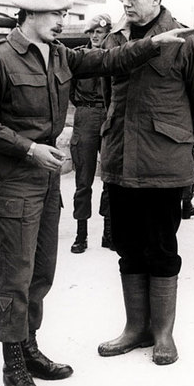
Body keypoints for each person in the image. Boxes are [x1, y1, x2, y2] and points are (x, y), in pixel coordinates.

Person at [0, 0, 194, 386]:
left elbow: (109, 59)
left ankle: (30, 347)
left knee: (41, 274)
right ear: (30, 15)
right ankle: (12, 367)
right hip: (18, 177)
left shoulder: (59, 55)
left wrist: (152, 43)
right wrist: (30, 147)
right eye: (56, 16)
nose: (62, 23)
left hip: (47, 179)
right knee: (15, 276)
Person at [96, 0, 194, 366]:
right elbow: (107, 94)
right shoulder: (114, 39)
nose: (126, 4)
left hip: (164, 165)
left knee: (161, 248)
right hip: (119, 161)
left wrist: (174, 141)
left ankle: (163, 333)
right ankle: (136, 329)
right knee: (128, 248)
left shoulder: (185, 41)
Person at [70, 13, 113, 253]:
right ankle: (81, 234)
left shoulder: (114, 55)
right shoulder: (79, 56)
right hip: (85, 115)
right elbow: (71, 90)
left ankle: (109, 232)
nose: (96, 36)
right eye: (92, 32)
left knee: (110, 176)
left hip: (108, 115)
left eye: (100, 32)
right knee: (83, 179)